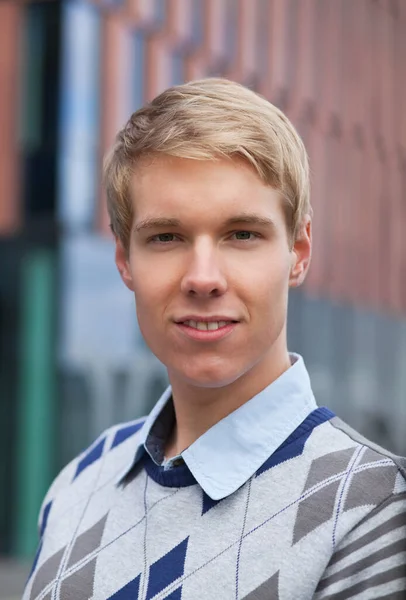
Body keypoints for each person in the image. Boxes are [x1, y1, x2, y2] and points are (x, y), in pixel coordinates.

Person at [24, 79, 406, 600]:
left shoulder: (372, 506)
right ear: (123, 260)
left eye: (241, 234)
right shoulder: (79, 484)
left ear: (298, 251)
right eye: (167, 237)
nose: (203, 277)